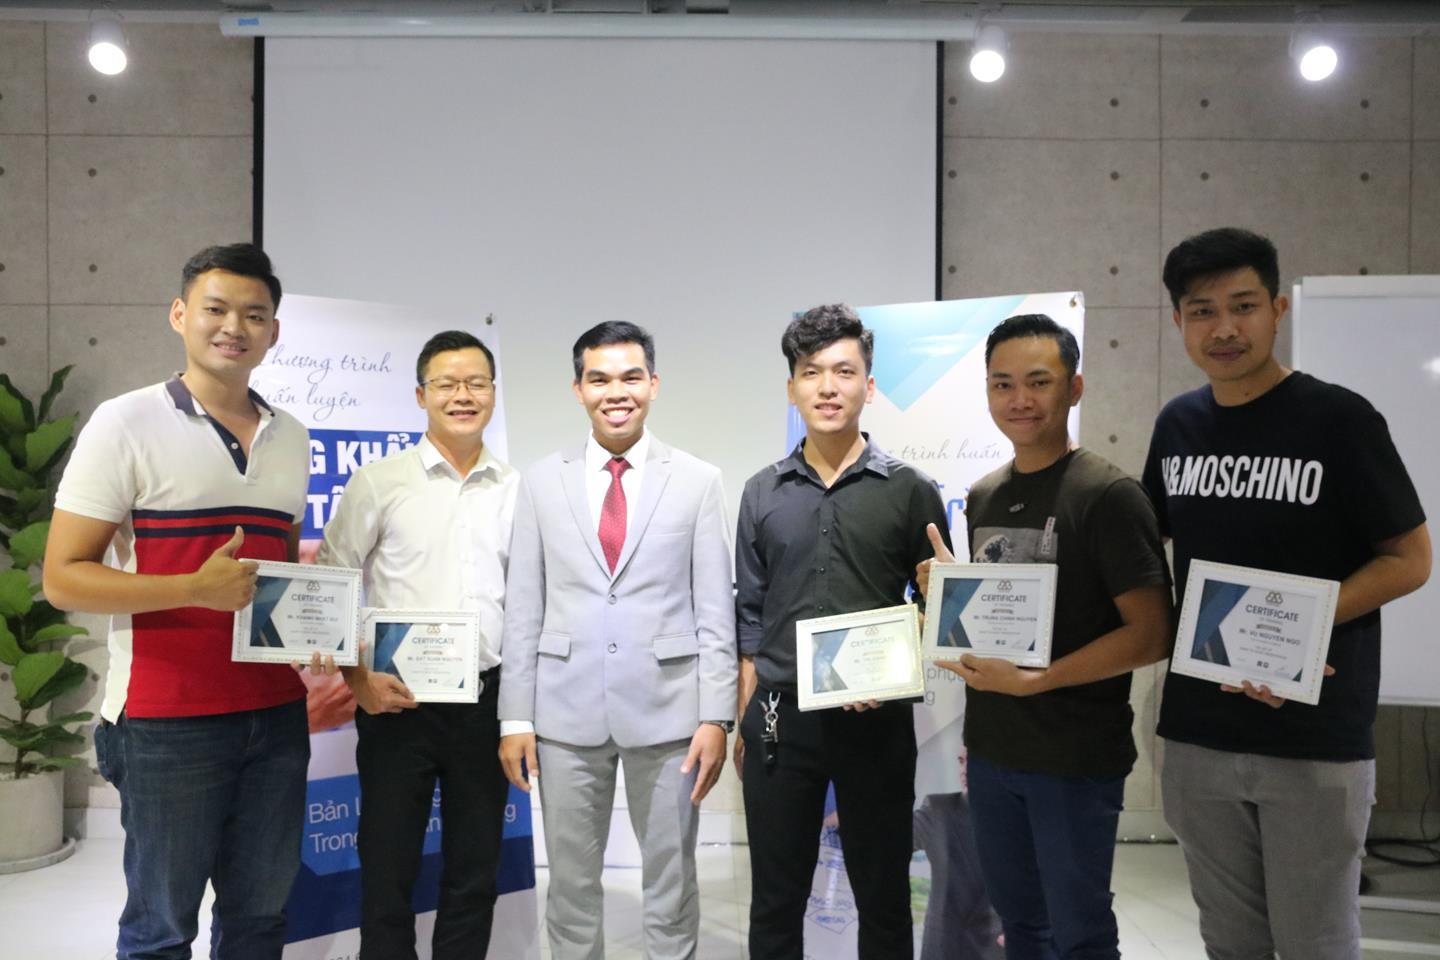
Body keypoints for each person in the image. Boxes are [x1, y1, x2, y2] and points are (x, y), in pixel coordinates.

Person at [1142, 227, 1431, 959]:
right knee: (1230, 942)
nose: (1224, 328)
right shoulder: (1178, 425)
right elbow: (1147, 546)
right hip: (1199, 732)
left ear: (1277, 309)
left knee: (1317, 943)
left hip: (1313, 736)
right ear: (1179, 321)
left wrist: (1302, 625)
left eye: (1243, 306)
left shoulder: (1340, 421)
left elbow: (1410, 559)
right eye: (1202, 311)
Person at [44, 243, 323, 959]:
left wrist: (313, 628)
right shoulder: (124, 422)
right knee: (161, 931)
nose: (235, 327)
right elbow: (63, 577)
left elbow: (276, 570)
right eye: (216, 309)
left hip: (275, 716)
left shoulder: (293, 437)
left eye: (254, 315)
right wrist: (190, 589)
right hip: (166, 724)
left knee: (260, 920)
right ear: (180, 315)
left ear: (273, 331)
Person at [918, 314, 1172, 959]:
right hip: (993, 750)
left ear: (1074, 387)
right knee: (1020, 926)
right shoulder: (984, 494)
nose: (1019, 400)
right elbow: (998, 623)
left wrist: (1041, 681)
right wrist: (948, 595)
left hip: (1075, 757)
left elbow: (1151, 634)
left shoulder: (1109, 494)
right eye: (1002, 384)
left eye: (1039, 381)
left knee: (1080, 931)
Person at [497, 321, 736, 960]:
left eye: (631, 377)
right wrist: (515, 717)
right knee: (571, 887)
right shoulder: (540, 481)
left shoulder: (698, 480)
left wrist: (716, 715)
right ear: (578, 389)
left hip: (670, 713)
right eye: (599, 379)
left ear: (653, 384)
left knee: (671, 882)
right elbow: (523, 608)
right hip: (562, 714)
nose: (616, 392)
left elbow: (716, 610)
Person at [734, 303, 949, 960]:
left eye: (844, 371)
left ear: (869, 385)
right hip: (781, 719)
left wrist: (937, 601)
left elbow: (936, 609)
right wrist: (746, 719)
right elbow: (750, 617)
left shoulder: (911, 490)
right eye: (811, 372)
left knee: (884, 898)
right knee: (775, 900)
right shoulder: (761, 492)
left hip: (877, 719)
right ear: (791, 387)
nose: (828, 387)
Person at [316, 330, 517, 959]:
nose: (463, 396)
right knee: (387, 866)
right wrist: (356, 679)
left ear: (492, 393)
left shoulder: (517, 489)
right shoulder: (379, 482)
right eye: (446, 384)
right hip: (395, 702)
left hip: (486, 704)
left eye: (476, 383)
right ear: (420, 395)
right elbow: (332, 580)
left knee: (476, 870)